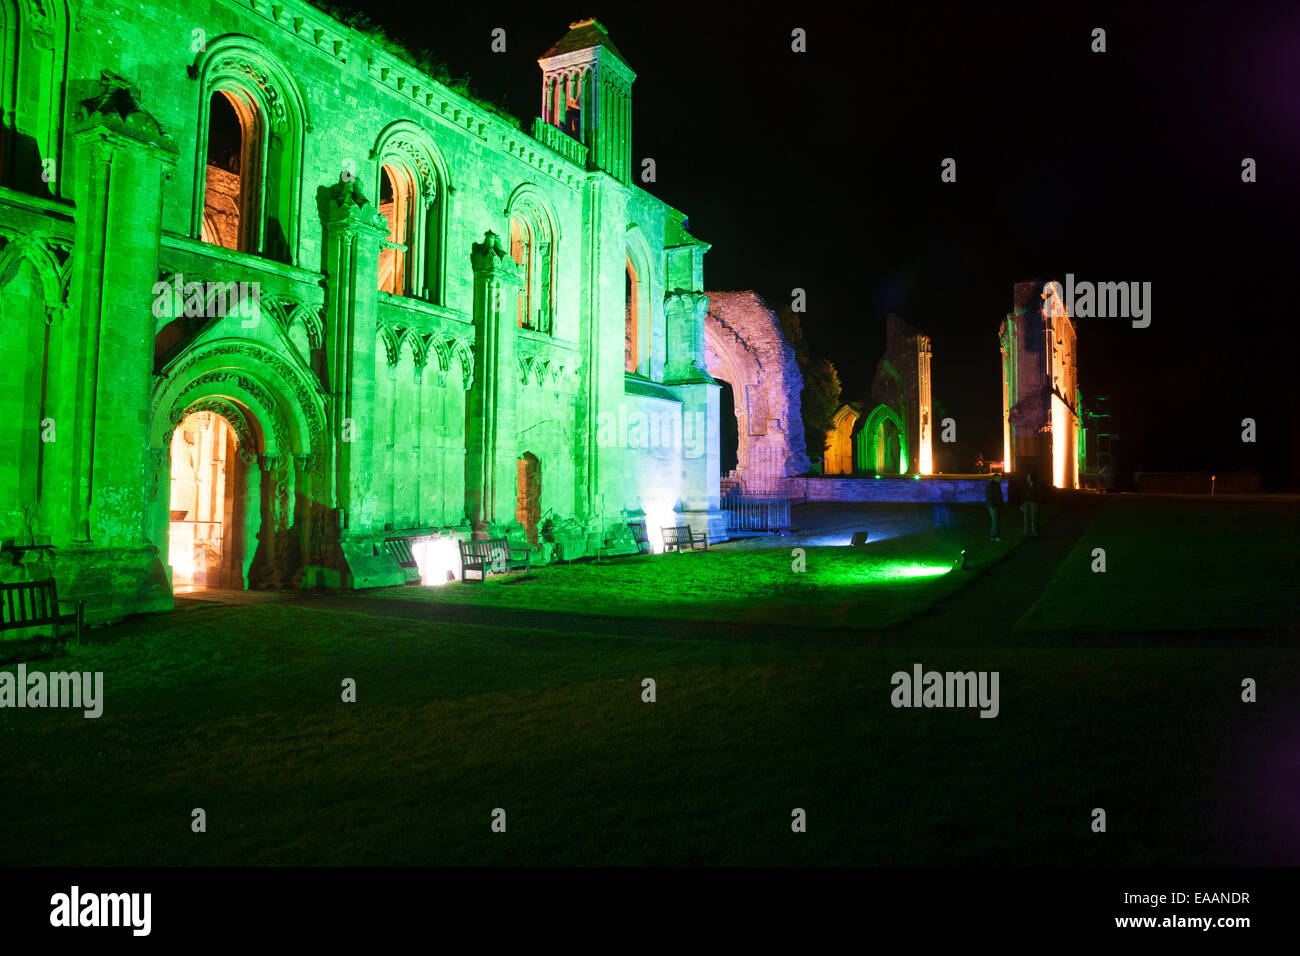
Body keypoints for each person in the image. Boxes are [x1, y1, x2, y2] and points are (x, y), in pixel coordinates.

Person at [984, 474, 1003, 541]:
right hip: (993, 506)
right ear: (995, 478)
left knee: (994, 521)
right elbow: (992, 496)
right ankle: (996, 536)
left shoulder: (992, 485)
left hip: (993, 505)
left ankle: (993, 536)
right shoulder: (994, 486)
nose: (1000, 479)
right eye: (999, 478)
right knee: (996, 521)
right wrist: (995, 504)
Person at [1023, 472, 1041, 536]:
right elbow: (1023, 494)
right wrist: (1022, 503)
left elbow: (1039, 494)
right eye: (1028, 477)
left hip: (1034, 503)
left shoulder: (1036, 485)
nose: (1028, 478)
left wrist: (1037, 501)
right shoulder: (1025, 485)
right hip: (1026, 503)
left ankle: (1034, 532)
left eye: (1029, 477)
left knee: (1034, 518)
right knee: (1026, 518)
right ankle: (1026, 532)